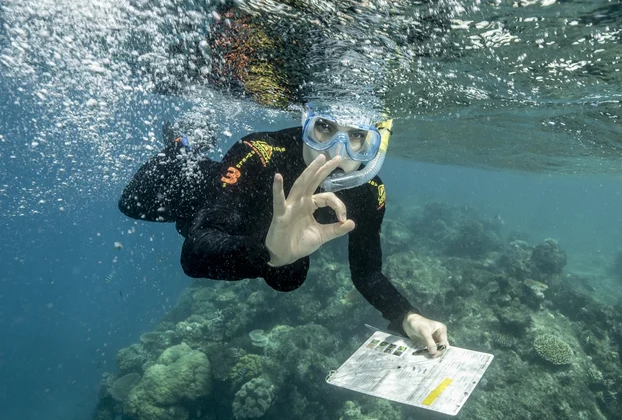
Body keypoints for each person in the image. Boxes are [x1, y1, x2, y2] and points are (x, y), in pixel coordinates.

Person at [119, 103, 450, 357]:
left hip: (263, 239)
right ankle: (185, 144)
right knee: (132, 203)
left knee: (291, 275)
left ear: (374, 143)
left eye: (356, 136)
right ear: (307, 122)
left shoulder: (368, 191)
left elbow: (367, 272)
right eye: (324, 127)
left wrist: (407, 316)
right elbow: (195, 251)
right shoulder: (260, 152)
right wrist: (267, 251)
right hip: (204, 196)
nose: (336, 152)